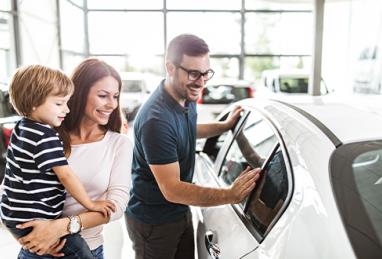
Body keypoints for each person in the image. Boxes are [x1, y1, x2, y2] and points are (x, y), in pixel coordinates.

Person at [125, 34, 261, 259]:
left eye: (205, 73)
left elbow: (187, 129)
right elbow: (172, 189)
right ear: (170, 68)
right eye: (193, 73)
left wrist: (224, 126)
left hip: (179, 211)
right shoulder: (156, 120)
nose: (201, 82)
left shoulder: (185, 95)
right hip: (154, 222)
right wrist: (231, 194)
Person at [13, 59, 133, 258]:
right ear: (78, 93)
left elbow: (116, 207)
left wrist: (61, 227)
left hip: (86, 248)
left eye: (116, 96)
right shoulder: (46, 134)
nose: (111, 104)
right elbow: (11, 188)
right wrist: (23, 236)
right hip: (36, 249)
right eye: (103, 95)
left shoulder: (118, 144)